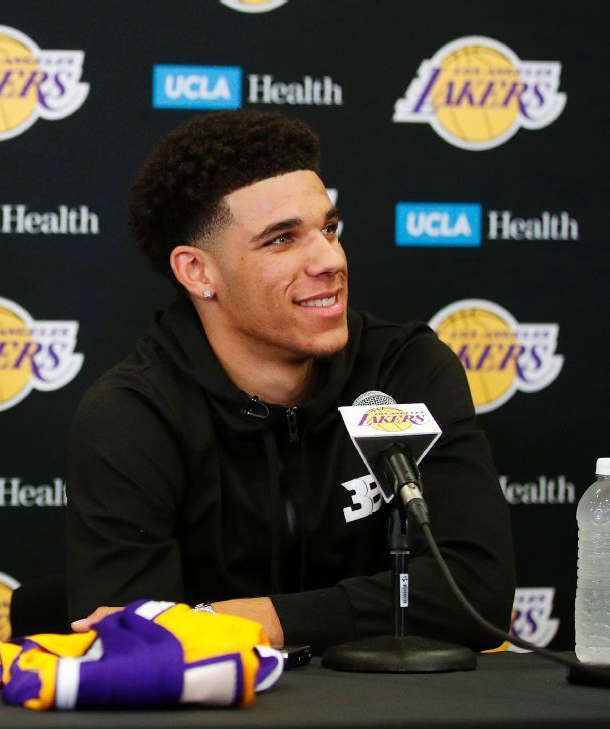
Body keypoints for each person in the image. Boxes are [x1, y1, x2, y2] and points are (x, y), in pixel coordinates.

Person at [65, 111, 514, 651]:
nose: (330, 259)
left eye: (329, 228)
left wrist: (265, 621)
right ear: (197, 272)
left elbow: (476, 590)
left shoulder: (406, 369)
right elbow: (136, 642)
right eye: (281, 239)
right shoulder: (133, 414)